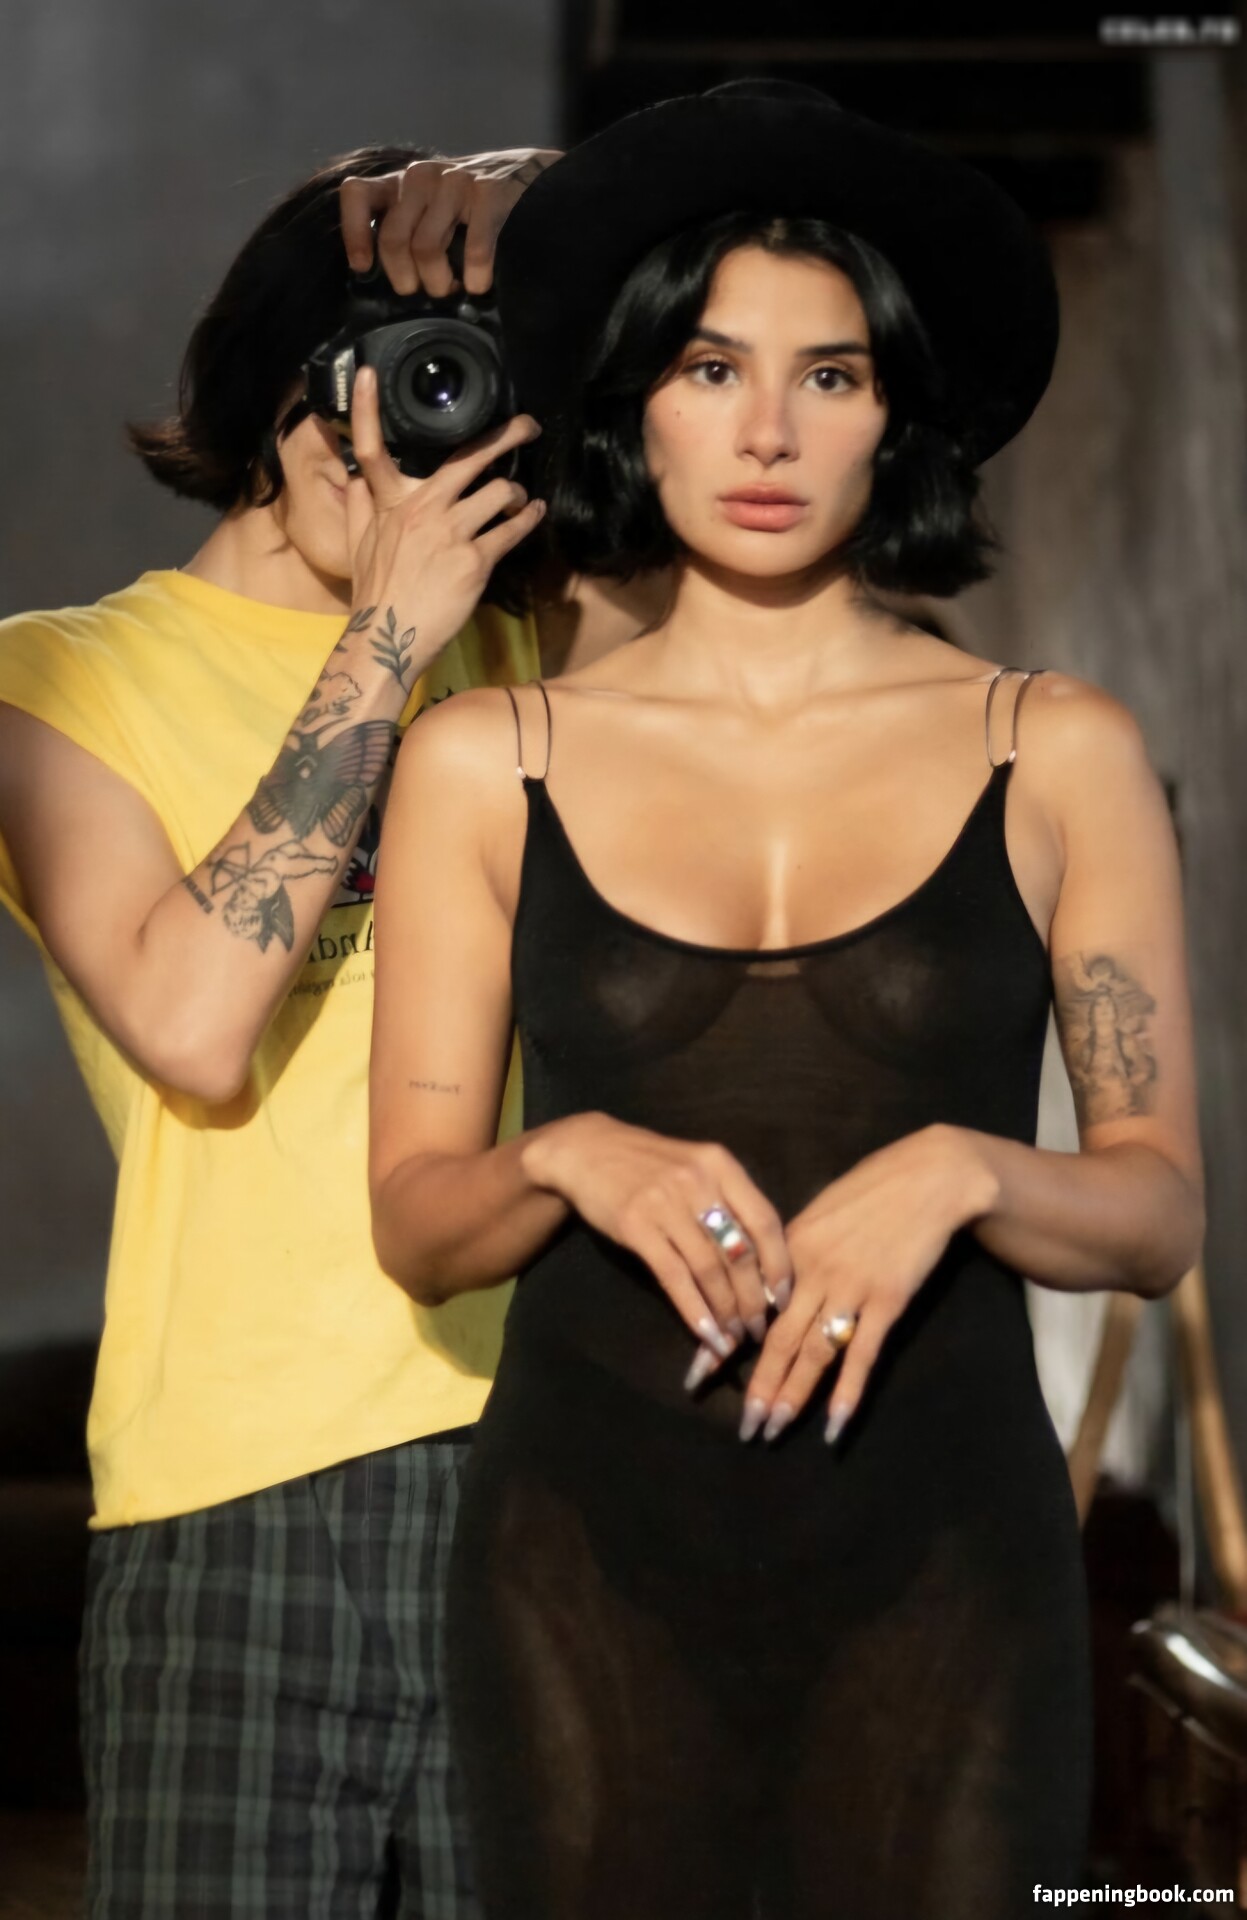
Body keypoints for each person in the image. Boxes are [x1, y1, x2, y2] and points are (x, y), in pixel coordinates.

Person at [367, 81, 1206, 1919]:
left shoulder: (1055, 749)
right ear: (636, 406)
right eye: (709, 368)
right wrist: (566, 1153)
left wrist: (970, 1169)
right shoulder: (483, 760)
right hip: (583, 1570)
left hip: (949, 1569)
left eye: (829, 375)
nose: (766, 431)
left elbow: (1156, 1215)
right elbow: (420, 1228)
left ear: (896, 416)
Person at [0, 141, 660, 1919]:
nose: (408, 441)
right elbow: (192, 1022)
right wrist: (384, 639)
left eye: (462, 383)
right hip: (233, 1481)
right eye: (381, 381)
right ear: (278, 392)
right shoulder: (55, 677)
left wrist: (559, 200)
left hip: (549, 1458)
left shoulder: (528, 652)